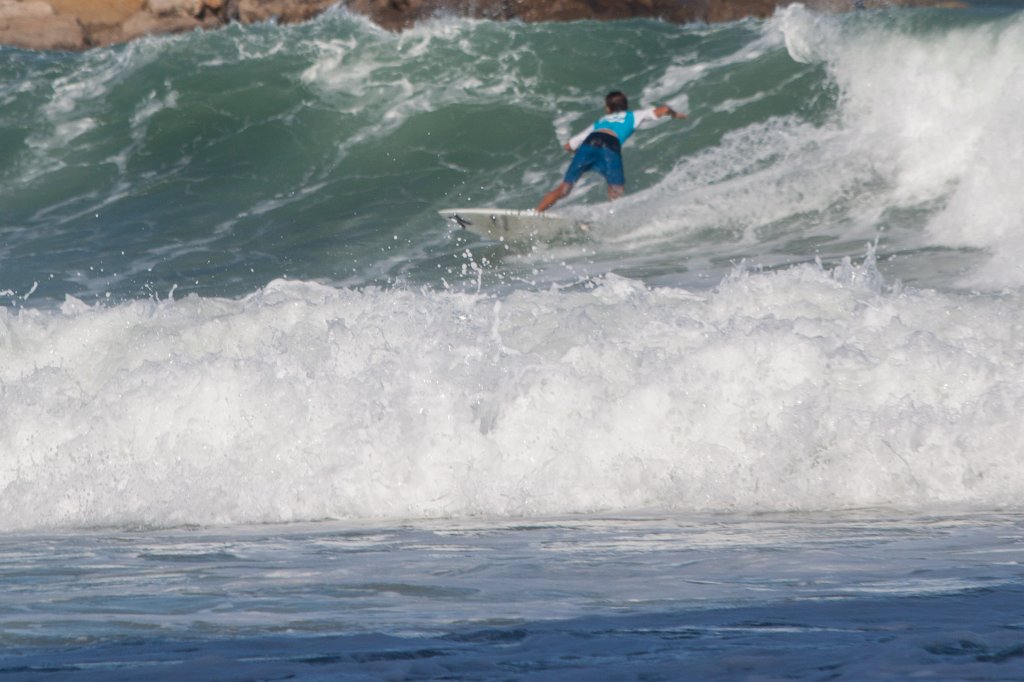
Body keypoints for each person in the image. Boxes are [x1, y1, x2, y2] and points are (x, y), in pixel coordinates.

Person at [536, 91, 687, 213]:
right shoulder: (633, 115)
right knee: (616, 191)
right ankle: (610, 221)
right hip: (610, 145)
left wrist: (578, 156)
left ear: (608, 109)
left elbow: (569, 145)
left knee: (565, 188)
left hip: (590, 142)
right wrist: (675, 115)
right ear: (625, 106)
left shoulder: (601, 121)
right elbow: (665, 109)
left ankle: (537, 212)